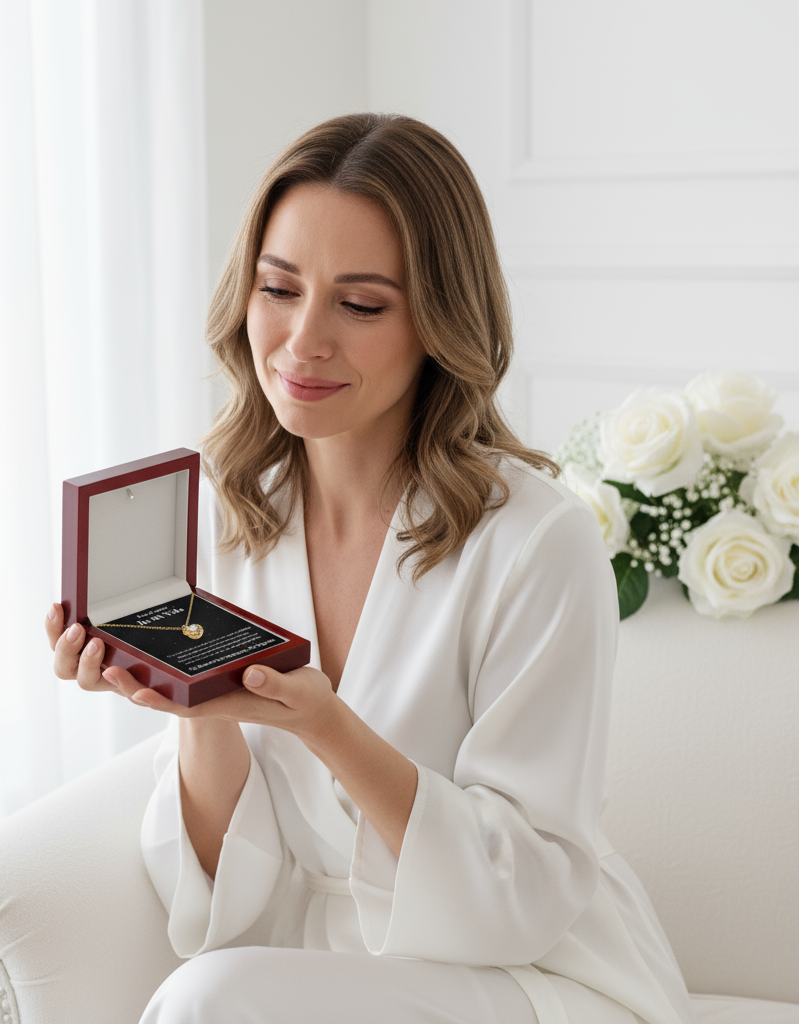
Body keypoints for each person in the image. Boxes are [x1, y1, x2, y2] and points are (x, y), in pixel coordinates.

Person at [45, 113, 693, 1024]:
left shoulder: (538, 544)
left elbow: (528, 888)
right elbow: (218, 892)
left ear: (439, 320)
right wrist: (188, 702)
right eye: (279, 288)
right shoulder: (235, 522)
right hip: (326, 974)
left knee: (205, 1003)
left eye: (361, 305)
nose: (304, 341)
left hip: (535, 977)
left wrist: (324, 725)